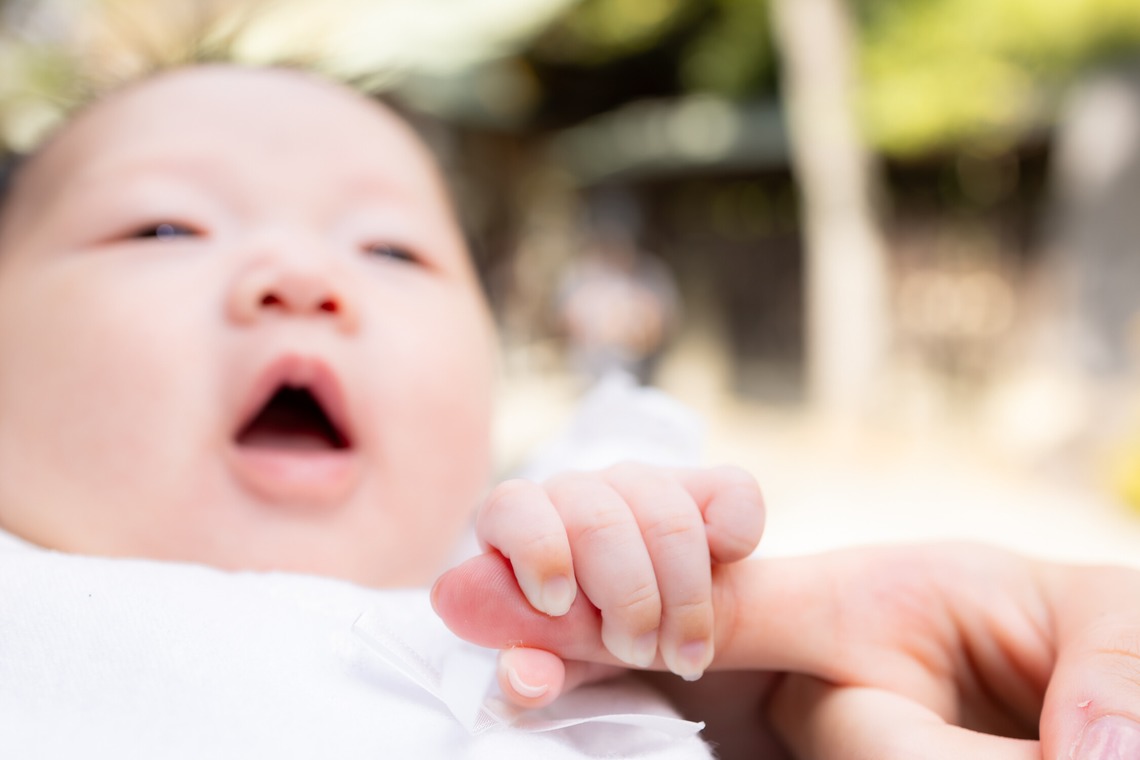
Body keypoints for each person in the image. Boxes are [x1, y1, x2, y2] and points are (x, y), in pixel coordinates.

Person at [1, 61, 1138, 760]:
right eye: (164, 227)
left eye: (392, 246)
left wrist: (730, 659)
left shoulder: (547, 625)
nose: (302, 275)